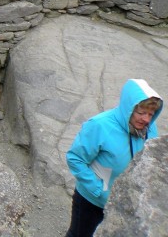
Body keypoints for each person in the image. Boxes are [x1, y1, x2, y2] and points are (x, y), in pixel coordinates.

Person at [64, 78, 163, 237]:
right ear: (128, 109)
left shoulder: (149, 130)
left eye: (150, 114)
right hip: (92, 202)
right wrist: (99, 191)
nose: (146, 119)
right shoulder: (100, 125)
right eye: (141, 112)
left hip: (125, 204)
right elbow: (75, 159)